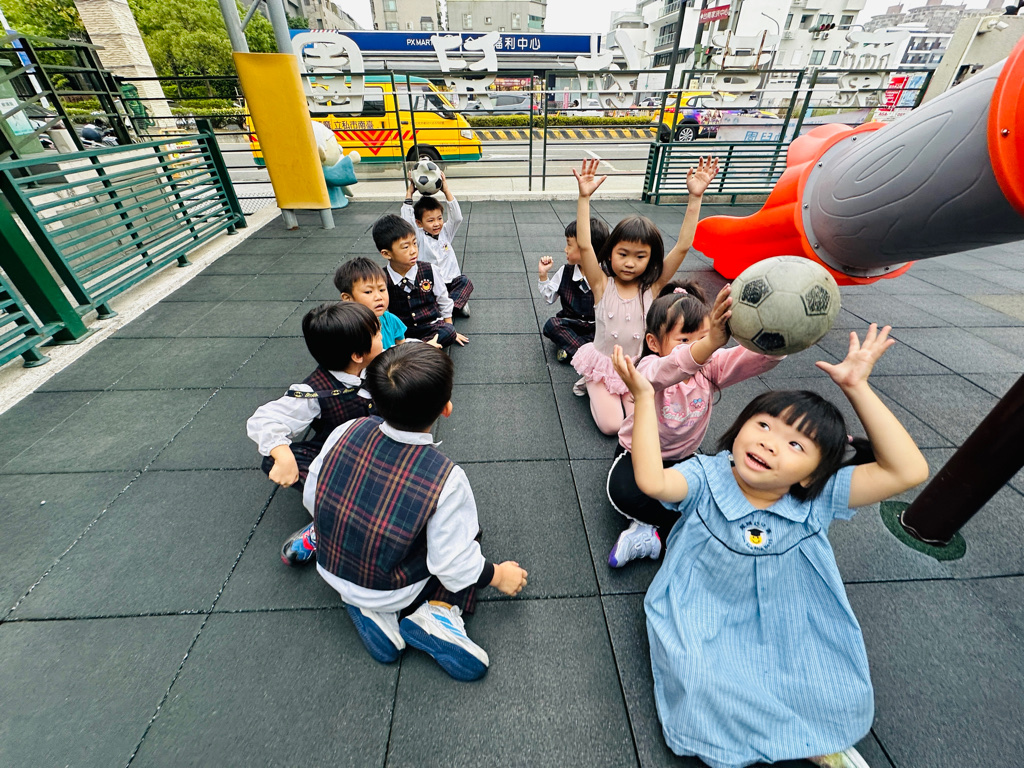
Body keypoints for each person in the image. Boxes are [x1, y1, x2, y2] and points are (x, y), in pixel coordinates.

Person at [611, 324, 929, 768]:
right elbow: (651, 480)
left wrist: (858, 387)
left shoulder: (816, 497)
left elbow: (908, 471)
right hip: (704, 604)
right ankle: (758, 738)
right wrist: (645, 399)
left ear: (812, 474)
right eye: (762, 424)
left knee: (825, 680)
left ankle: (812, 739)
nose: (768, 442)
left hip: (788, 610)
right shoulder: (707, 476)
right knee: (702, 678)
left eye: (795, 444)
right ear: (739, 427)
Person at [307, 344, 528, 680]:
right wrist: (497, 575)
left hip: (332, 564)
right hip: (391, 587)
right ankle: (437, 613)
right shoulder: (446, 479)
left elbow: (313, 495)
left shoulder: (345, 430)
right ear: (446, 409)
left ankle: (370, 610)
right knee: (468, 535)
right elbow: (453, 565)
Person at [606, 280, 784, 567]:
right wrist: (710, 342)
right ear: (654, 343)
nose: (698, 347)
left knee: (716, 492)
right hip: (636, 455)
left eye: (704, 337)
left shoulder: (710, 367)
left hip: (684, 458)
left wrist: (784, 337)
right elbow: (671, 368)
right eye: (685, 340)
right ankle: (667, 528)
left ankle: (653, 531)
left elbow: (750, 359)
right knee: (623, 491)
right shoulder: (648, 368)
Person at [570, 155, 719, 435]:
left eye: (640, 256)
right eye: (623, 254)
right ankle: (592, 385)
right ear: (611, 253)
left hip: (636, 367)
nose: (630, 263)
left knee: (642, 421)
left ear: (650, 260)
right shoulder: (601, 284)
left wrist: (695, 197)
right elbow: (586, 246)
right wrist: (584, 198)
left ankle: (614, 395)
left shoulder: (652, 288)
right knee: (612, 426)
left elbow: (683, 246)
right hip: (603, 365)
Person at [245, 302, 383, 565]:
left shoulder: (381, 364)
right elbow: (264, 419)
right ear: (357, 354)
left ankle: (339, 520)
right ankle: (331, 520)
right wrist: (282, 454)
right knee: (274, 458)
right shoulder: (314, 392)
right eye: (377, 334)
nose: (382, 336)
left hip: (385, 447)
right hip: (343, 456)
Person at [374, 214, 468, 348]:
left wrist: (451, 329)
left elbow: (443, 299)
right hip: (402, 331)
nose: (413, 251)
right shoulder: (381, 278)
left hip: (430, 326)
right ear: (386, 253)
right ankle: (424, 348)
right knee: (381, 338)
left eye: (414, 243)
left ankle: (415, 349)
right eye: (405, 247)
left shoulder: (429, 269)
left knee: (448, 331)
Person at [537, 217, 609, 378]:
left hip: (596, 327)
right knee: (551, 325)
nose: (565, 249)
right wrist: (543, 275)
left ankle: (570, 349)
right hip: (571, 324)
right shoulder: (565, 271)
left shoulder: (607, 275)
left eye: (569, 244)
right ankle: (589, 355)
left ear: (586, 248)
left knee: (612, 334)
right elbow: (549, 298)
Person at [401, 170, 474, 317]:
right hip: (430, 284)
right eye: (430, 220)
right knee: (414, 291)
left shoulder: (446, 231)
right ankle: (452, 305)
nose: (436, 224)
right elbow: (406, 221)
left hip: (450, 281)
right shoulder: (418, 236)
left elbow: (457, 217)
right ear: (419, 223)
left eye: (439, 218)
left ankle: (449, 306)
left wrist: (446, 190)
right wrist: (409, 192)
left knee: (465, 281)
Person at [334, 257, 419, 350]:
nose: (378, 297)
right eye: (368, 292)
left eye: (382, 290)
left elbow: (402, 349)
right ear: (347, 298)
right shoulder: (347, 329)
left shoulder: (391, 320)